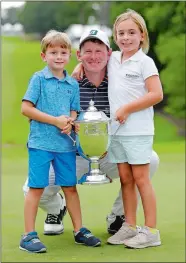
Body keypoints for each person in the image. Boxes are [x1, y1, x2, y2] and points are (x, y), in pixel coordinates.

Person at [22, 28, 160, 237]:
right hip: (72, 154)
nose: (93, 56)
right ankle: (56, 209)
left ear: (109, 53)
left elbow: (128, 58)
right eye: (87, 51)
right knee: (32, 191)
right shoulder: (69, 82)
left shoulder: (118, 73)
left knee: (151, 160)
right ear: (78, 54)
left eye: (99, 51)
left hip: (109, 155)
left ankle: (118, 217)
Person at [19, 30, 101, 253]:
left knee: (70, 188)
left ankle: (79, 230)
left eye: (63, 52)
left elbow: (74, 111)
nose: (58, 56)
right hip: (40, 144)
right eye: (53, 52)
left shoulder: (72, 85)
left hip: (65, 146)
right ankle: (28, 236)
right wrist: (55, 120)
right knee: (36, 188)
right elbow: (26, 108)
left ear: (69, 55)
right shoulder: (38, 79)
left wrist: (71, 121)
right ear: (43, 56)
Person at [106, 9, 163, 249]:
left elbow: (156, 94)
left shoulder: (145, 62)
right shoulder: (113, 59)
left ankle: (150, 231)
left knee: (141, 180)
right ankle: (129, 226)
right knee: (126, 180)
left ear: (142, 35)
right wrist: (79, 68)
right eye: (121, 33)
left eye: (131, 32)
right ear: (115, 36)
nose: (126, 37)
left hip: (138, 131)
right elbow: (93, 62)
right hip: (117, 132)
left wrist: (128, 108)